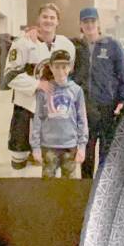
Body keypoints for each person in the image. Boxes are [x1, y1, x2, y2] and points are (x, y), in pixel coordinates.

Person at [2, 3, 76, 170]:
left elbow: (70, 72)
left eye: (52, 17)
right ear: (38, 19)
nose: (48, 20)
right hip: (26, 106)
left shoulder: (67, 45)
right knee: (19, 161)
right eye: (45, 17)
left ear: (58, 21)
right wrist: (37, 84)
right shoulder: (23, 42)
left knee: (48, 159)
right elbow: (9, 75)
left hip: (52, 108)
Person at [74, 7, 124, 179]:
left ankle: (101, 188)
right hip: (85, 109)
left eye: (92, 21)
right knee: (86, 153)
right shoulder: (75, 47)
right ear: (80, 25)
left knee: (106, 154)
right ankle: (86, 186)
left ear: (98, 23)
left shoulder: (112, 45)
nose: (89, 25)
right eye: (85, 21)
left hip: (108, 108)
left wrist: (123, 100)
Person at [30, 50, 88, 179]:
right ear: (50, 67)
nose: (60, 71)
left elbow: (82, 120)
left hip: (70, 147)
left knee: (69, 185)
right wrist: (36, 148)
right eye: (56, 67)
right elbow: (37, 119)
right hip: (48, 146)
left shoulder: (76, 90)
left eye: (64, 67)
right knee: (48, 184)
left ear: (70, 67)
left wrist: (82, 147)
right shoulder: (43, 91)